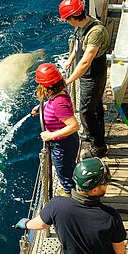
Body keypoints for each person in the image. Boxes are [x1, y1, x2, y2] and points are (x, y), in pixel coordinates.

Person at [59, 0, 111, 159]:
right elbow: (78, 43)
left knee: (86, 111)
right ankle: (92, 133)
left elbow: (86, 61)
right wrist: (70, 59)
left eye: (67, 19)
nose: (67, 22)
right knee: (94, 105)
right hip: (86, 75)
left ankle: (99, 146)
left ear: (73, 19)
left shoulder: (95, 32)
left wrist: (67, 81)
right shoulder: (82, 25)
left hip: (93, 75)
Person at [34, 63, 80, 195]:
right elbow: (55, 107)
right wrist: (42, 108)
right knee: (68, 167)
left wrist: (50, 136)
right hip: (67, 142)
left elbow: (74, 126)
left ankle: (69, 194)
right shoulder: (59, 94)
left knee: (64, 172)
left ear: (45, 87)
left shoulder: (58, 103)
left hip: (62, 145)